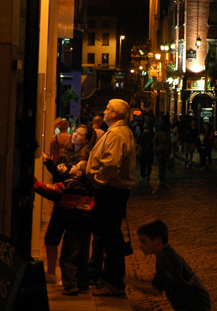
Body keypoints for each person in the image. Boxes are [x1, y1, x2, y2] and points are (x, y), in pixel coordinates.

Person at [85, 98, 137, 297]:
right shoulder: (122, 132)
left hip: (111, 191)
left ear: (115, 114)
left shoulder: (116, 134)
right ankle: (112, 280)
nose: (104, 112)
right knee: (110, 236)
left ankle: (114, 282)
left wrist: (97, 182)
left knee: (110, 237)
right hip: (114, 191)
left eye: (107, 109)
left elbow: (110, 164)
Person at [40, 123, 94, 281]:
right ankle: (51, 273)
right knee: (50, 239)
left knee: (73, 246)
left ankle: (73, 279)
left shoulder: (86, 158)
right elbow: (59, 175)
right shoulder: (66, 152)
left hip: (75, 206)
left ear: (86, 140)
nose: (75, 135)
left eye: (80, 134)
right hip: (61, 201)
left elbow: (81, 182)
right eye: (75, 131)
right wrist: (49, 163)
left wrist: (70, 172)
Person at [34, 161, 95, 295]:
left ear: (78, 173)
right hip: (85, 225)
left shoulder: (69, 185)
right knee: (82, 256)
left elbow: (49, 190)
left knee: (69, 255)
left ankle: (70, 285)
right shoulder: (90, 188)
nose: (71, 166)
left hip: (72, 223)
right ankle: (83, 285)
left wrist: (34, 182)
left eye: (75, 166)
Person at [128, 219, 211, 311]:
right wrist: (142, 281)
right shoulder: (167, 254)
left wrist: (134, 284)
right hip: (196, 302)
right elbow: (160, 280)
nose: (140, 246)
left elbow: (156, 290)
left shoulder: (165, 258)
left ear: (158, 240)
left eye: (143, 241)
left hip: (194, 305)